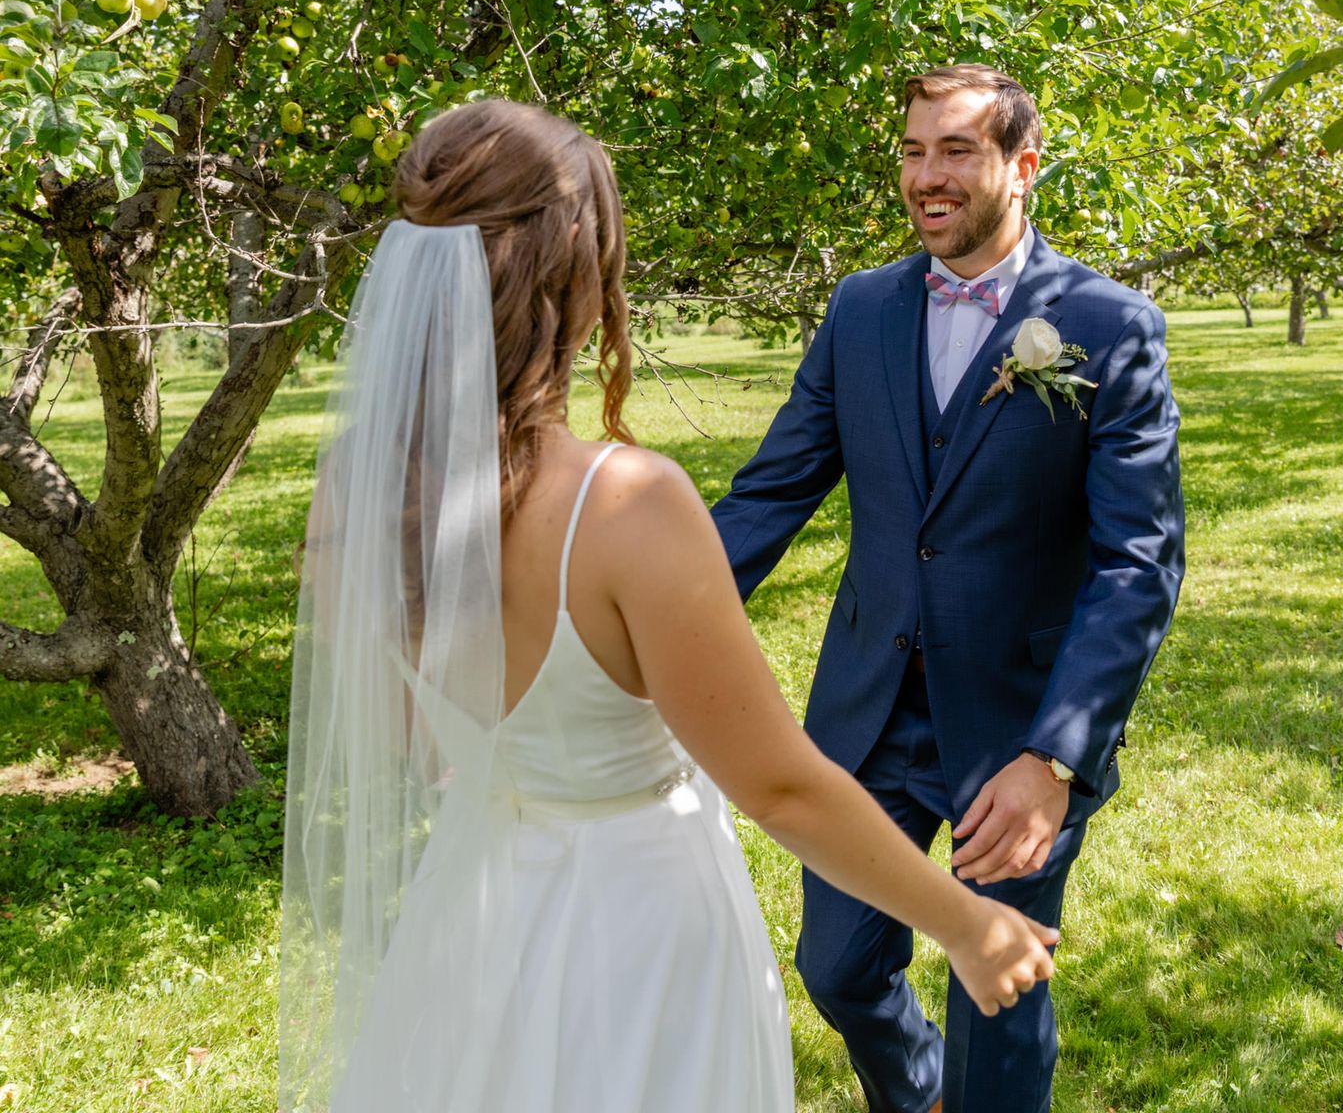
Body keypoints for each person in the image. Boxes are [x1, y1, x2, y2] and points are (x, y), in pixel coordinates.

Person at [277, 99, 1057, 1113]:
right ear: (574, 278)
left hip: (471, 914)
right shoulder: (626, 502)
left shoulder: (356, 489)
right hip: (636, 927)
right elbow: (779, 785)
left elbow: (423, 744)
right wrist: (963, 920)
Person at [712, 65, 1185, 1113]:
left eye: (955, 152)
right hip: (866, 714)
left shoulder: (1109, 326)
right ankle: (917, 1092)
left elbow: (1138, 560)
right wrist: (628, 600)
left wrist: (1057, 756)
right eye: (914, 152)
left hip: (1017, 730)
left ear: (1023, 166)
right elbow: (770, 493)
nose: (926, 176)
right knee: (836, 967)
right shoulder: (861, 307)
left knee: (998, 1013)